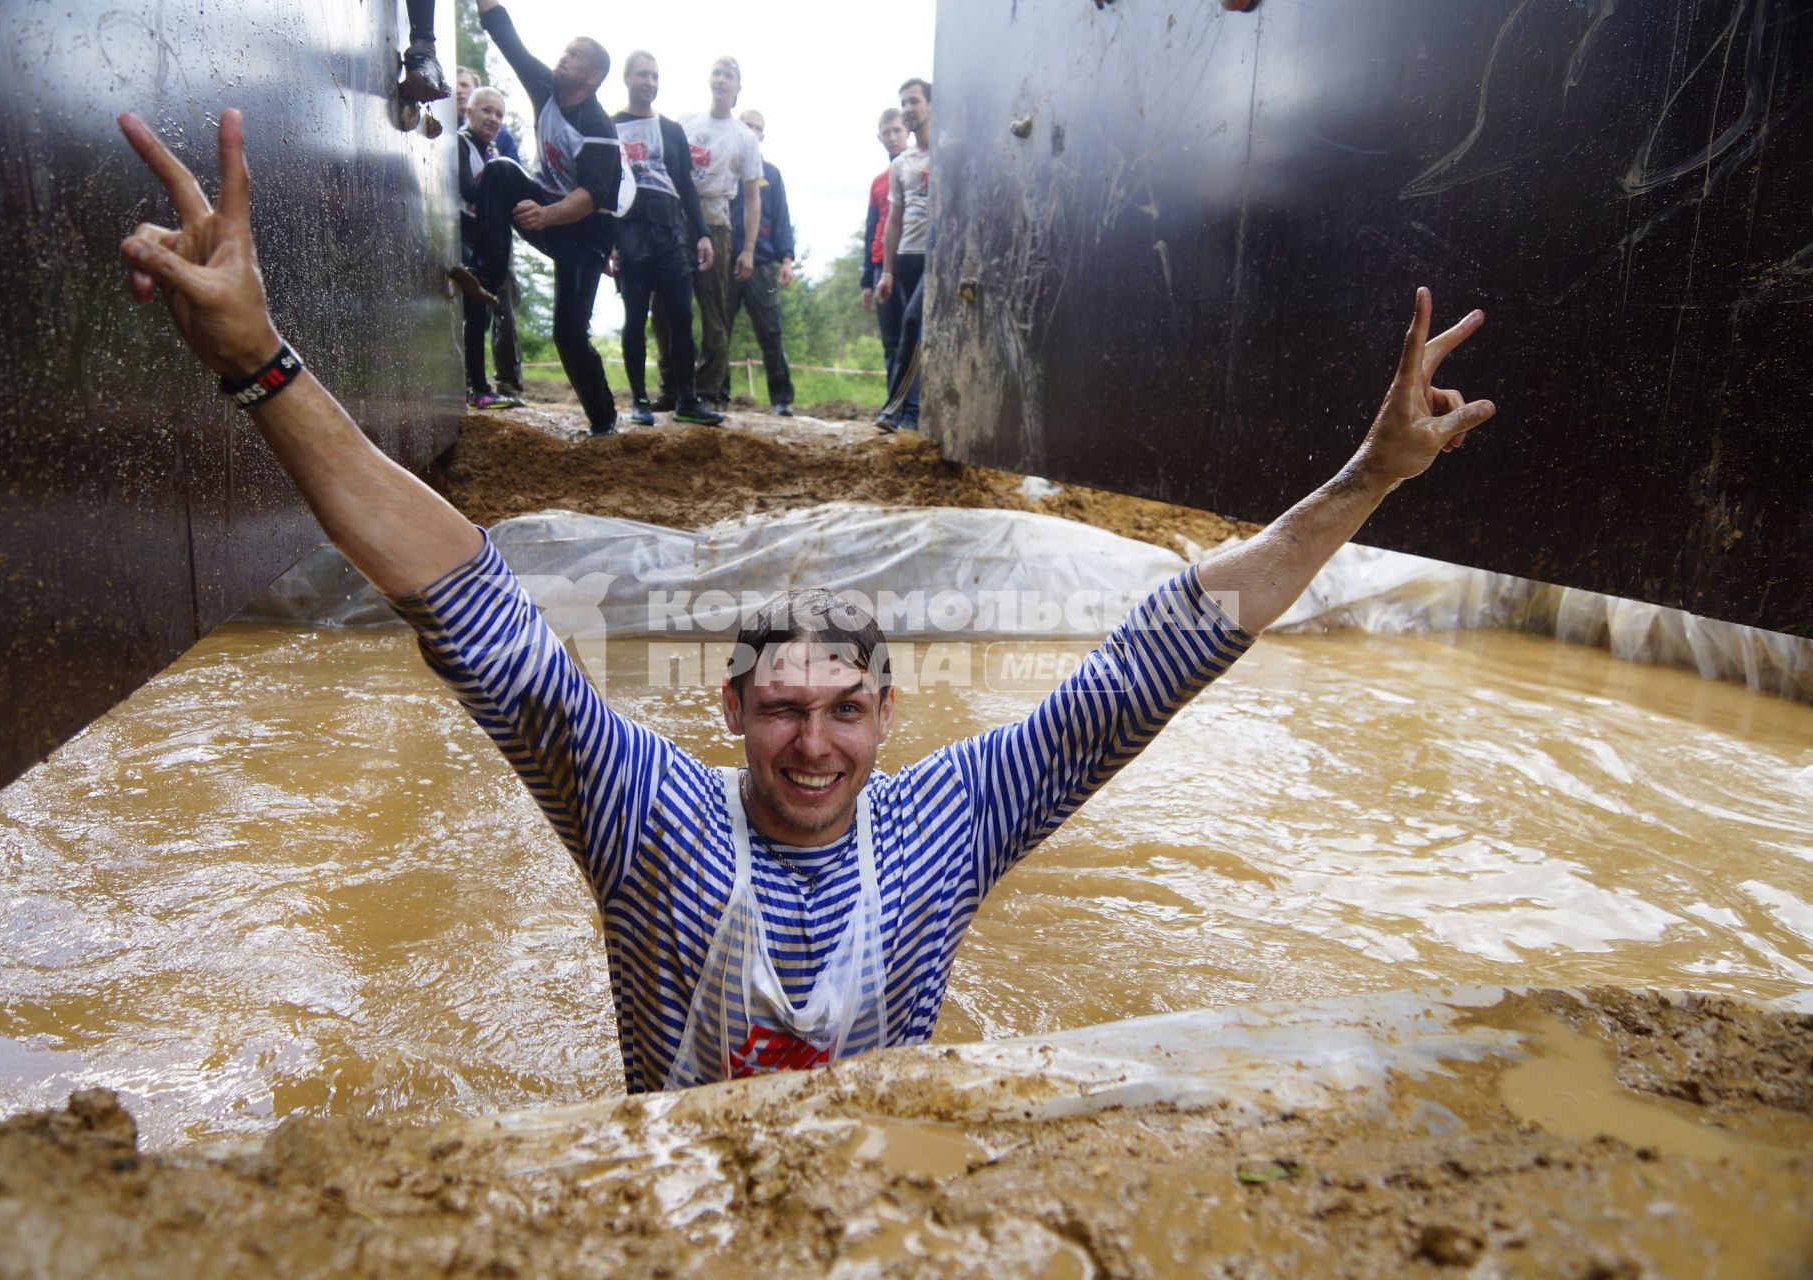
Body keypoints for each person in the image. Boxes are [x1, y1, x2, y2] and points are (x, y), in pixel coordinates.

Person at [116, 106, 1495, 1092]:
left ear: (891, 710)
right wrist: (263, 367)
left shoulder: (958, 817)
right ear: (730, 707)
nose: (816, 744)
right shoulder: (640, 807)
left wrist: (1369, 477)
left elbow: (1158, 657)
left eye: (844, 708)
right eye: (782, 710)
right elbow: (469, 604)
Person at [469, 0, 622, 436]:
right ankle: (488, 277)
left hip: (585, 236)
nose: (563, 58)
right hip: (547, 214)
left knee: (569, 335)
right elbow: (507, 39)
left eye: (575, 56)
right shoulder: (547, 88)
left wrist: (546, 214)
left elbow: (591, 196)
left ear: (591, 77)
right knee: (499, 172)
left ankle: (604, 423)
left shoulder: (598, 126)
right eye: (565, 50)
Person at [610, 52, 725, 428]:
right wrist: (609, 244)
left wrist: (703, 234)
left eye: (655, 77)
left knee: (681, 314)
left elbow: (687, 186)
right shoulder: (609, 127)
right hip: (630, 229)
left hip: (671, 228)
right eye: (643, 75)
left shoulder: (672, 129)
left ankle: (687, 398)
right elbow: (604, 189)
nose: (650, 83)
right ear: (627, 79)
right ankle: (640, 400)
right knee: (635, 316)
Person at [679, 58, 762, 408]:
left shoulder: (743, 136)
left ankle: (708, 391)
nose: (722, 80)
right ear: (709, 80)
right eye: (717, 73)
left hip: (717, 224)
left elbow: (753, 196)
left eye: (729, 76)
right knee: (670, 308)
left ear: (737, 87)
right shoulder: (685, 124)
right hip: (680, 221)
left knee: (714, 311)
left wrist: (749, 249)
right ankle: (674, 387)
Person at [722, 110, 797, 416]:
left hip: (763, 264)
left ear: (763, 135)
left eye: (758, 127)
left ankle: (781, 399)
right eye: (747, 125)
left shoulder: (771, 174)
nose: (752, 131)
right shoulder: (724, 167)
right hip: (724, 262)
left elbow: (782, 217)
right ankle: (716, 394)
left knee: (771, 332)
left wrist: (787, 259)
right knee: (718, 331)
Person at [455, 86, 523, 410]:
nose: (493, 119)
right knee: (471, 311)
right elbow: (468, 190)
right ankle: (476, 387)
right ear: (469, 112)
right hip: (461, 233)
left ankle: (480, 385)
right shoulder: (460, 143)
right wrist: (495, 172)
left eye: (499, 114)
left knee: (481, 312)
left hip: (484, 237)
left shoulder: (491, 150)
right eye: (486, 111)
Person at [875, 79, 932, 432]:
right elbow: (893, 221)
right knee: (910, 334)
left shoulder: (952, 152)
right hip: (906, 257)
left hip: (938, 258)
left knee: (914, 324)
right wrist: (886, 271)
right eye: (904, 103)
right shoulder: (902, 164)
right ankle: (908, 413)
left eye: (914, 101)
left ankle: (902, 412)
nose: (909, 108)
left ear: (931, 105)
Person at [860, 108, 909, 386]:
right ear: (879, 137)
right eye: (886, 132)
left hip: (910, 261)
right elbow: (871, 230)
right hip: (881, 266)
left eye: (897, 131)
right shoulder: (878, 182)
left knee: (913, 335)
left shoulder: (923, 170)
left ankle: (913, 408)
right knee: (890, 340)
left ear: (907, 131)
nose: (892, 137)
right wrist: (867, 279)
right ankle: (893, 403)